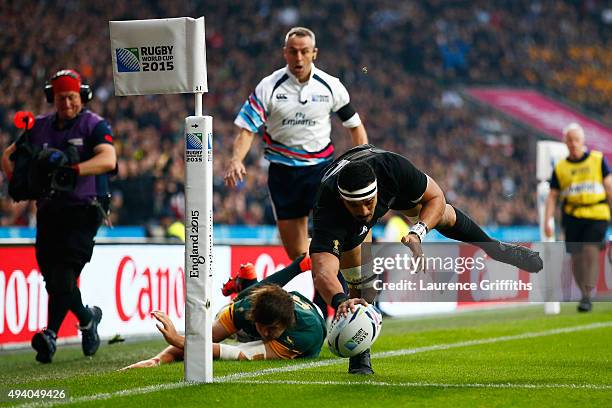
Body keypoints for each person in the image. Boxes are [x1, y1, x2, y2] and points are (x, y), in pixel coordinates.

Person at [308, 144, 544, 374]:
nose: (363, 212)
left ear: (377, 191)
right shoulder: (329, 212)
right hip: (347, 221)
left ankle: (495, 249)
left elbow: (437, 197)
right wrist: (339, 302)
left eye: (368, 203)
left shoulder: (393, 169)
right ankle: (360, 355)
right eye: (355, 205)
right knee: (360, 285)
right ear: (343, 200)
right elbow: (323, 272)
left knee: (444, 215)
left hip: (378, 173)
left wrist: (417, 232)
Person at [1, 69, 117, 363]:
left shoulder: (94, 124)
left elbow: (108, 159)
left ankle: (51, 334)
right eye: (61, 97)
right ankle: (87, 319)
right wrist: (21, 182)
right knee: (53, 279)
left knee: (64, 273)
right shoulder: (38, 127)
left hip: (83, 209)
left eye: (72, 97)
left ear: (82, 97)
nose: (66, 103)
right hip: (50, 210)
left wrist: (74, 170)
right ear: (52, 97)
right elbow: (7, 155)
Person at [223, 26, 368, 260]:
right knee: (297, 255)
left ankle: (337, 292)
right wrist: (236, 159)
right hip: (283, 174)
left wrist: (360, 161)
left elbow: (355, 126)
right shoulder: (268, 87)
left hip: (321, 170)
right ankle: (323, 282)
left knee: (335, 239)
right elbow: (247, 130)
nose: (298, 57)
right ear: (285, 53)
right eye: (293, 51)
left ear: (314, 53)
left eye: (304, 51)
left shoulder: (330, 85)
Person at [121, 255, 326, 368]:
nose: (265, 333)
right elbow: (204, 339)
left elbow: (235, 352)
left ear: (285, 324)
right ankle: (246, 284)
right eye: (261, 326)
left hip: (312, 322)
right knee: (239, 304)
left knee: (243, 332)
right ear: (254, 317)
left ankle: (245, 282)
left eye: (271, 329)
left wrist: (177, 339)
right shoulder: (245, 310)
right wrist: (157, 360)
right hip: (259, 306)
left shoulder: (303, 335)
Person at [544, 123, 612, 312]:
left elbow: (609, 188)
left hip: (597, 214)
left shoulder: (598, 160)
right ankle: (584, 295)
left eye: (576, 140)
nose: (573, 143)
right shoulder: (561, 168)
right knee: (576, 258)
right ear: (565, 143)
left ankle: (587, 295)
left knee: (590, 251)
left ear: (583, 141)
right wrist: (547, 220)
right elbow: (552, 196)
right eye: (570, 140)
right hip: (572, 217)